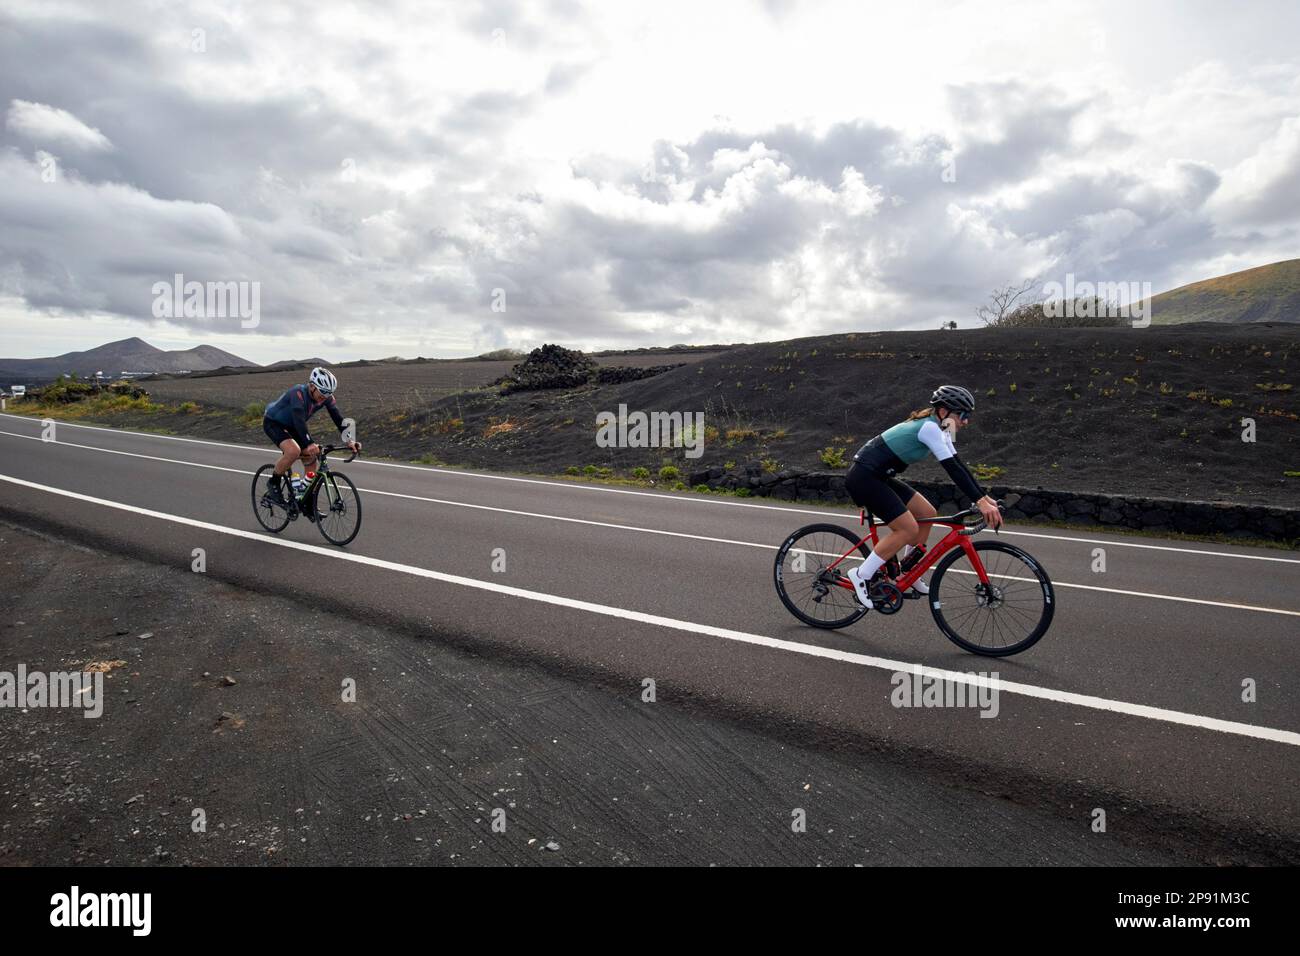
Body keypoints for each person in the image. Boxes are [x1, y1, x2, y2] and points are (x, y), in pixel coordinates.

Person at [843, 385, 1001, 609]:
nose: (966, 421)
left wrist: (985, 498)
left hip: (879, 476)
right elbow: (952, 470)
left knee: (927, 513)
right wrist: (980, 502)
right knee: (907, 528)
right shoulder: (929, 428)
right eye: (963, 415)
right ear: (944, 411)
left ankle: (910, 570)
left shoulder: (942, 428)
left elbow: (959, 465)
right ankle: (860, 574)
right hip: (864, 478)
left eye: (969, 416)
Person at [261, 367, 361, 508]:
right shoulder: (298, 393)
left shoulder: (326, 397)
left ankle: (304, 499)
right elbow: (299, 420)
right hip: (274, 422)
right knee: (293, 451)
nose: (324, 398)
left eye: (328, 395)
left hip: (293, 426)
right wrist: (309, 443)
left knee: (311, 459)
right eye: (322, 394)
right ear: (312, 386)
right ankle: (273, 484)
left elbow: (338, 418)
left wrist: (350, 440)